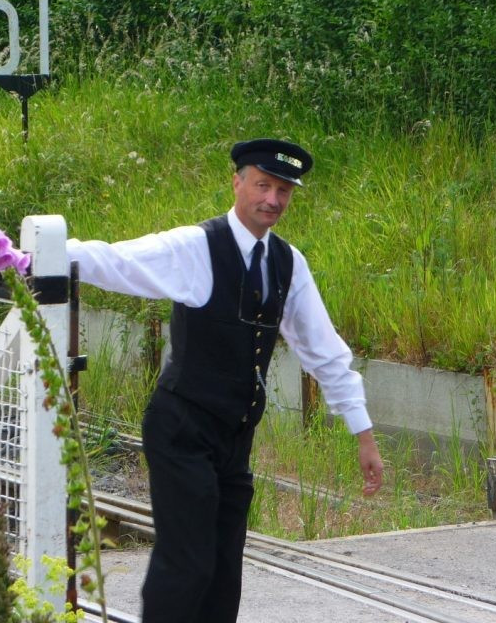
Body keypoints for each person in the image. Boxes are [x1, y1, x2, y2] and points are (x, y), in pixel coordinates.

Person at [64, 138, 383, 623]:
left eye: (283, 190)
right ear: (237, 183)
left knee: (223, 572)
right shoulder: (197, 246)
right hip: (181, 429)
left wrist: (363, 433)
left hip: (234, 438)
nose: (272, 200)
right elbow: (119, 260)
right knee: (186, 564)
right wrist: (35, 256)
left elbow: (324, 350)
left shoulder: (287, 264)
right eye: (262, 186)